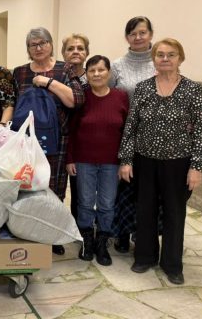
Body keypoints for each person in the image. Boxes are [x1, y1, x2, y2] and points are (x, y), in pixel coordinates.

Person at [118, 38, 202, 285]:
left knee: (174, 213)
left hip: (178, 163)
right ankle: (145, 256)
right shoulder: (144, 87)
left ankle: (172, 264)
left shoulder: (192, 89)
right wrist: (126, 160)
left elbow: (201, 129)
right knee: (144, 210)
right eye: (160, 54)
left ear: (180, 58)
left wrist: (196, 167)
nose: (165, 59)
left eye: (171, 54)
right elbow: (131, 126)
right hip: (144, 160)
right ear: (154, 58)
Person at [13, 27, 85, 255]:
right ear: (28, 49)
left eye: (43, 43)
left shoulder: (65, 69)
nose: (38, 47)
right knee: (27, 186)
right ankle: (29, 231)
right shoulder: (19, 73)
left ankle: (52, 234)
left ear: (51, 44)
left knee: (54, 188)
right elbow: (13, 104)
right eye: (33, 45)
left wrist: (47, 82)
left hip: (58, 140)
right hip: (26, 141)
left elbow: (76, 100)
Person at [66, 55, 128, 266]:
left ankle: (102, 242)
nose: (96, 74)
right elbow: (72, 131)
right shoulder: (82, 98)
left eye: (101, 70)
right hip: (84, 161)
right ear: (87, 74)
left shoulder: (121, 97)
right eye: (92, 71)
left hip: (112, 162)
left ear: (109, 73)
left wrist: (126, 161)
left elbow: (127, 132)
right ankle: (87, 241)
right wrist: (70, 159)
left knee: (107, 204)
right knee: (84, 203)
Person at [110, 16, 157, 254]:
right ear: (126, 37)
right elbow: (104, 93)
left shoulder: (160, 62)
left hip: (153, 137)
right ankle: (121, 232)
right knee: (124, 187)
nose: (137, 37)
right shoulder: (117, 65)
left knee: (147, 188)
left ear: (150, 34)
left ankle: (142, 230)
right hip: (122, 135)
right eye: (132, 33)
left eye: (142, 32)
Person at [61, 33, 90, 220]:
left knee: (82, 191)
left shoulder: (95, 76)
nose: (76, 52)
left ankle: (82, 229)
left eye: (80, 48)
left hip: (86, 142)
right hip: (61, 139)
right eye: (70, 48)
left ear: (87, 52)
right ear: (63, 53)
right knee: (58, 188)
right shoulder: (59, 75)